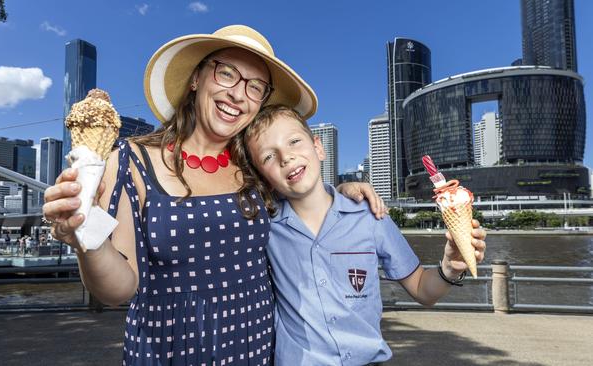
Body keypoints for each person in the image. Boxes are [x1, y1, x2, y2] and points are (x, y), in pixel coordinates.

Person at [42, 25, 385, 365]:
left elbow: (304, 195)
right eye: (227, 73)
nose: (238, 94)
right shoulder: (131, 160)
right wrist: (87, 240)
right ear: (196, 79)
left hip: (258, 350)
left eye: (255, 87)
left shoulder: (256, 167)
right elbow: (116, 291)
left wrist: (343, 192)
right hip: (168, 353)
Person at [241, 105, 488, 365]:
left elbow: (422, 290)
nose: (286, 157)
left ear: (318, 147)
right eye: (269, 156)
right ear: (263, 178)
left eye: (294, 141)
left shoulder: (371, 216)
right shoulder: (263, 228)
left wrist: (449, 269)